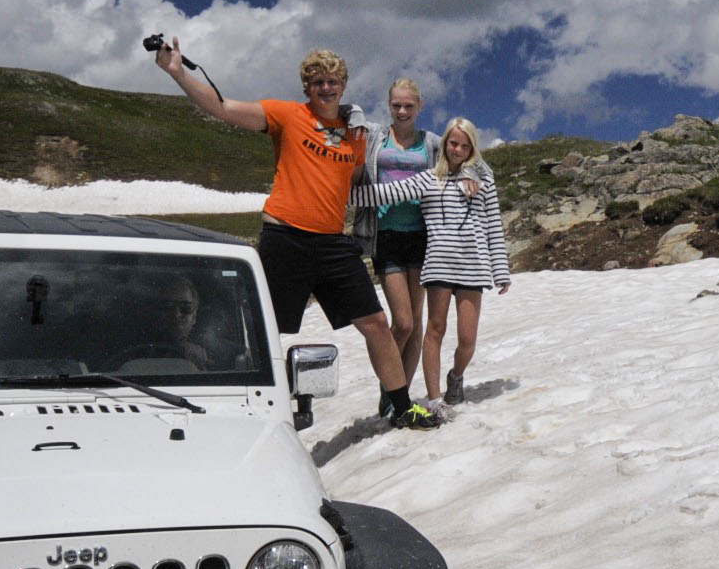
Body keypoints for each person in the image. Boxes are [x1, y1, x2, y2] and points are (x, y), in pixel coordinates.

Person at [152, 38, 440, 430]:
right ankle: (234, 406)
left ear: (344, 85)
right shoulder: (285, 115)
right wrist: (178, 73)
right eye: (317, 81)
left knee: (375, 322)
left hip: (334, 243)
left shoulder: (356, 134)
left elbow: (366, 177)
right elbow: (222, 108)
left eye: (333, 81)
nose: (326, 87)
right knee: (265, 328)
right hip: (285, 238)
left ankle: (401, 406)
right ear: (307, 87)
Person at [353, 117, 509, 412]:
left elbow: (493, 227)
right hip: (437, 264)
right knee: (434, 330)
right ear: (444, 144)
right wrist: (333, 193)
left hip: (472, 266)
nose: (458, 149)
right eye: (453, 143)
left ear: (472, 147)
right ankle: (435, 398)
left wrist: (500, 270)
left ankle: (456, 375)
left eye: (465, 145)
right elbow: (386, 193)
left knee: (467, 341)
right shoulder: (429, 179)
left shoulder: (482, 180)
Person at [369, 78, 438, 400]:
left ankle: (402, 396)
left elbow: (466, 159)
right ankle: (391, 389)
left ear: (419, 107)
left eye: (408, 106)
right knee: (404, 323)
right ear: (389, 105)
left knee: (416, 322)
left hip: (422, 237)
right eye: (396, 105)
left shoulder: (432, 143)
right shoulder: (376, 139)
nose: (401, 111)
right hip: (385, 235)